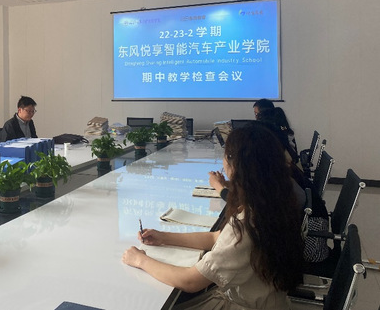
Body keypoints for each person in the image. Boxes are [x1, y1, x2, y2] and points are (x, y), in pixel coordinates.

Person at [122, 125, 304, 309]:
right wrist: (164, 237)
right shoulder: (273, 202)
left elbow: (190, 281)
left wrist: (140, 260)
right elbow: (216, 237)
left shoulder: (246, 222)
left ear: (235, 166)